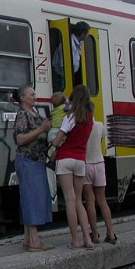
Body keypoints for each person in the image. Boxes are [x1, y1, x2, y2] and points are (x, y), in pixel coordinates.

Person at [51, 84, 94, 249]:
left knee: (69, 200)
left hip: (66, 160)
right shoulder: (90, 118)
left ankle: (75, 241)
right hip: (80, 161)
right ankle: (88, 240)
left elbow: (56, 142)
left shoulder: (70, 118)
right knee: (79, 201)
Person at [12, 85, 54, 252]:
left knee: (32, 199)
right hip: (28, 161)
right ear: (23, 98)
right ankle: (35, 242)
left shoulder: (34, 113)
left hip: (36, 162)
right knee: (32, 200)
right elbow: (20, 139)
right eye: (31, 94)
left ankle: (29, 239)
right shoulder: (23, 114)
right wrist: (41, 129)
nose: (35, 96)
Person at [83, 120, 118, 244]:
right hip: (99, 164)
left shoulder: (80, 125)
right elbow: (103, 137)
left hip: (86, 165)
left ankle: (95, 234)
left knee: (90, 201)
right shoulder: (99, 125)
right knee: (102, 200)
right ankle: (111, 233)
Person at [52, 21, 90, 88]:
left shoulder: (79, 43)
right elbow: (64, 65)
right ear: (83, 33)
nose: (88, 35)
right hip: (61, 77)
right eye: (87, 33)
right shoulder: (69, 43)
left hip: (68, 76)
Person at [46, 91, 68, 161]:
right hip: (61, 129)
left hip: (53, 131)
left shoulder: (53, 111)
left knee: (54, 141)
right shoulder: (64, 108)